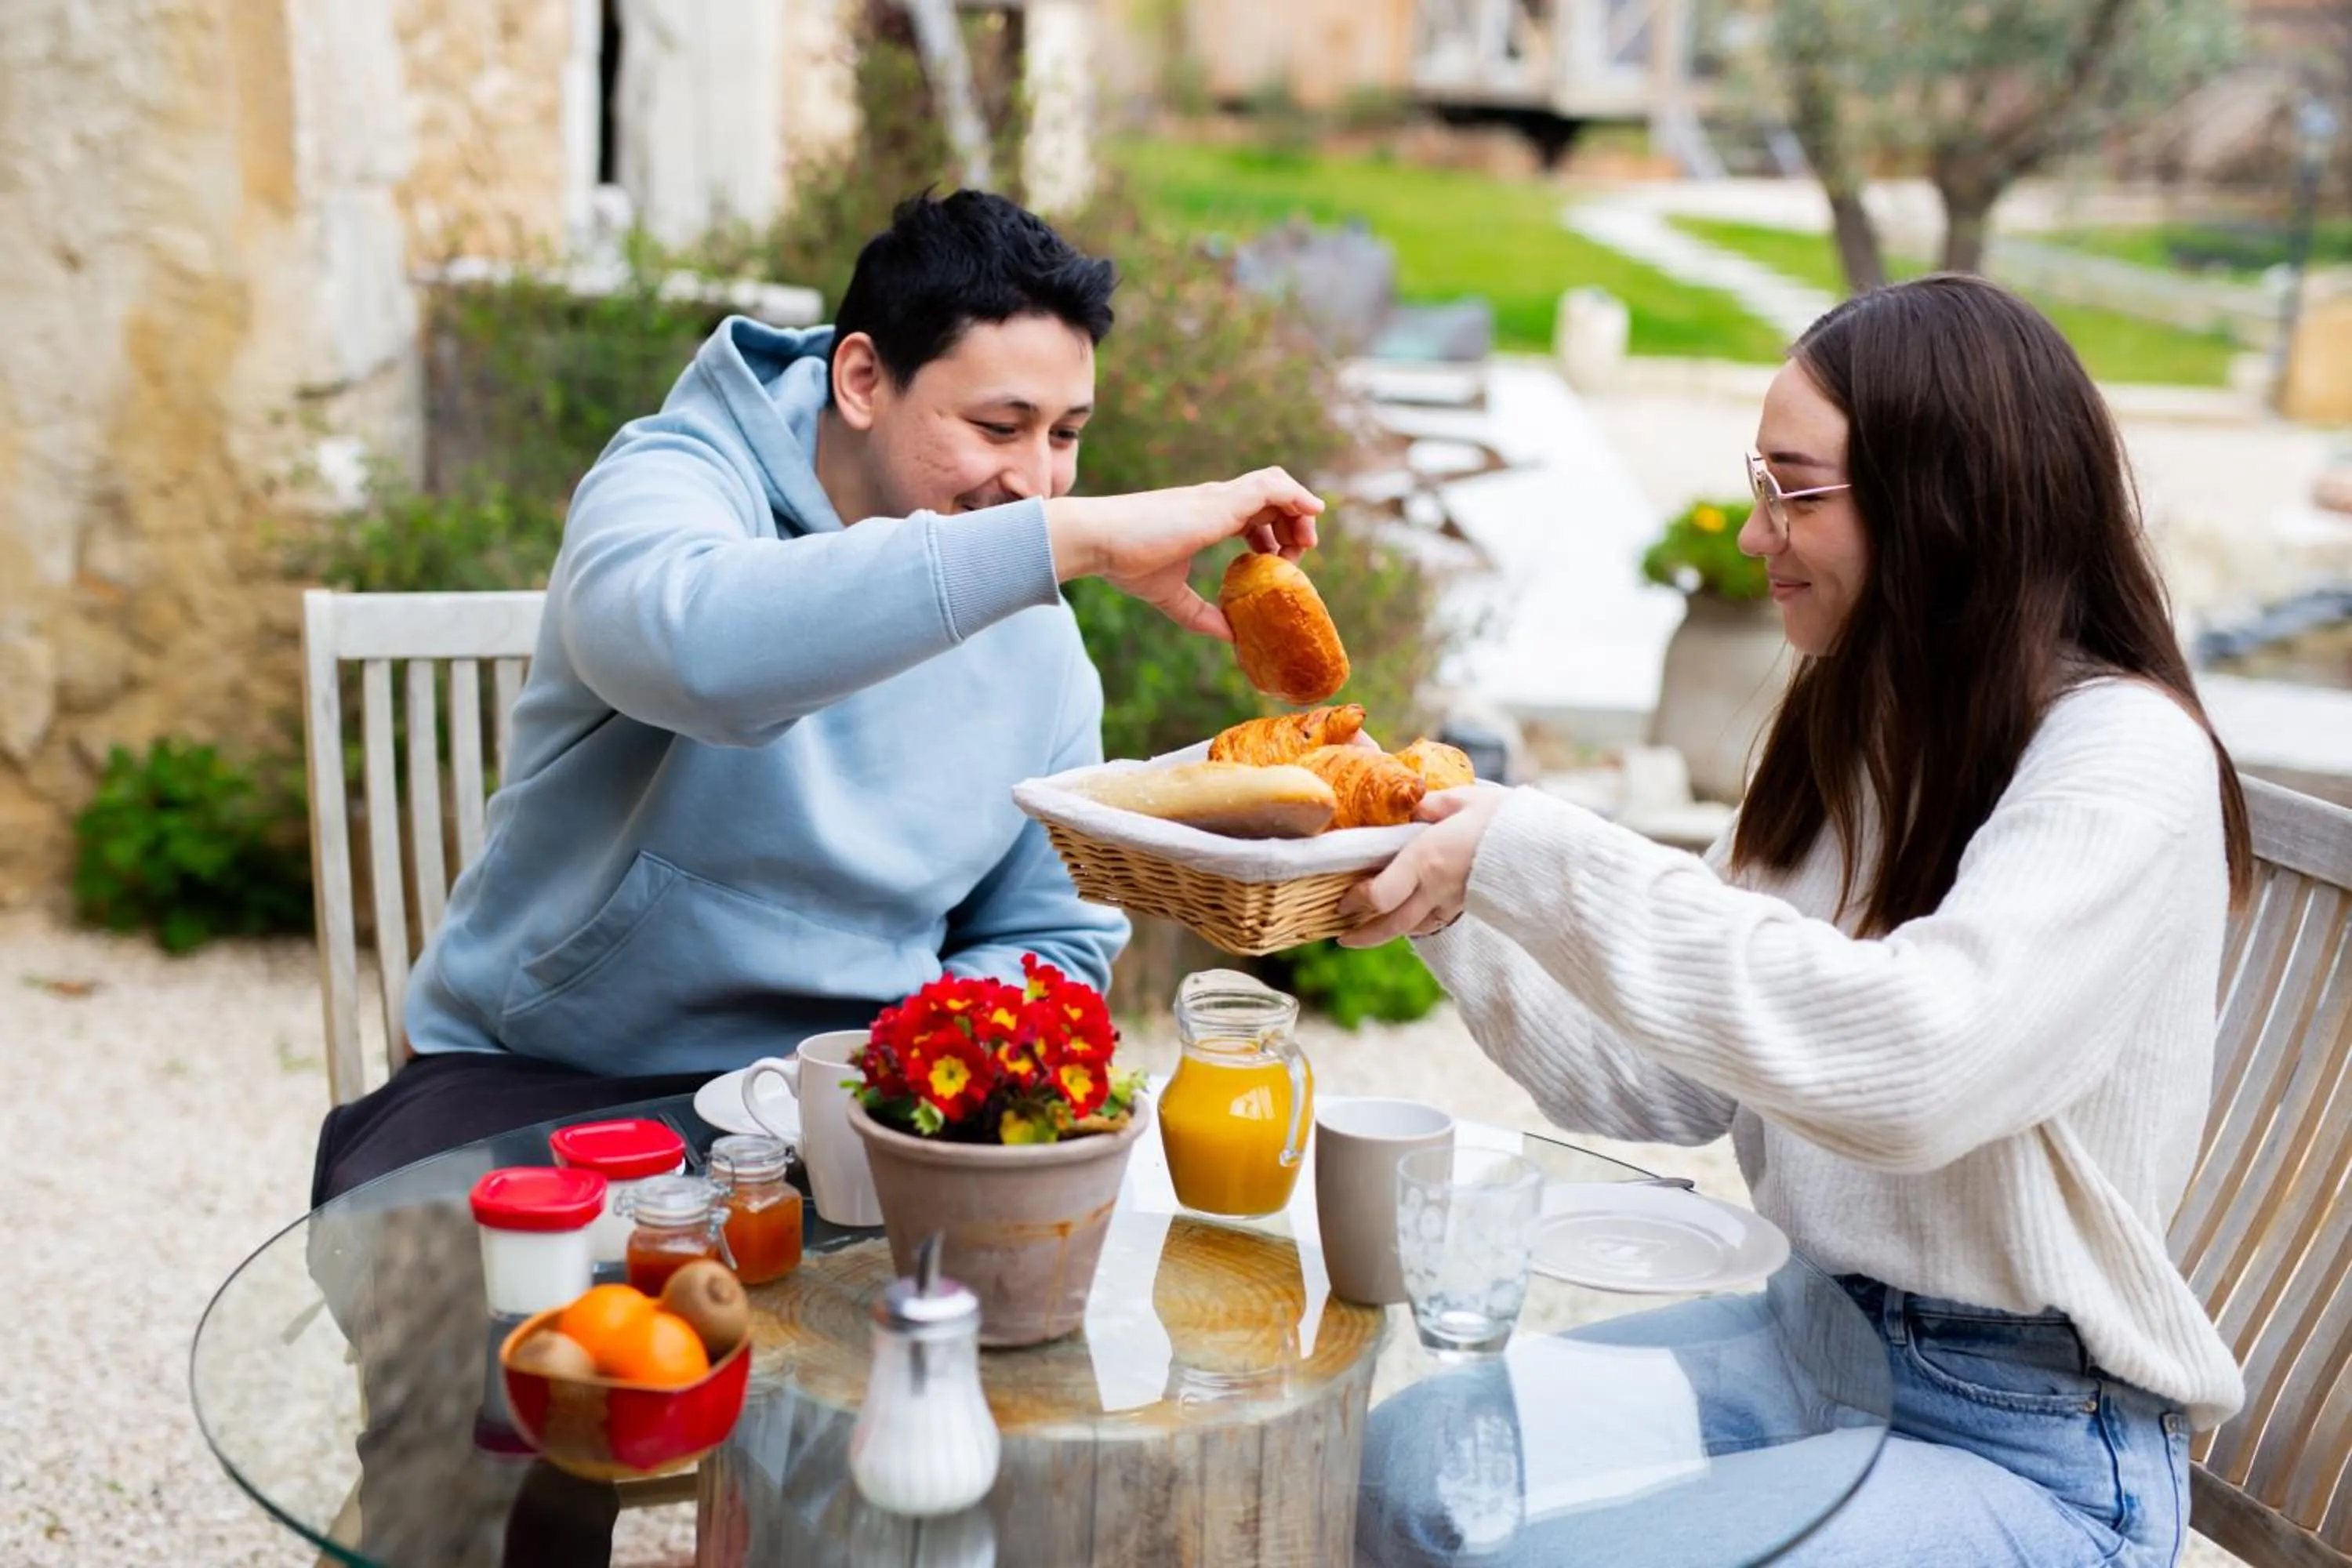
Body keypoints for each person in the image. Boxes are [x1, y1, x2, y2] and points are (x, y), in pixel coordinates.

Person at [1342, 274, 2247, 1566]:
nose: (1758, 533)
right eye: (1755, 483)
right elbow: (1655, 1082)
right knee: (1407, 1472)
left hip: (2031, 1447)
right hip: (1807, 1346)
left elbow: (1920, 1068)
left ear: (1947, 503)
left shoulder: (2123, 760)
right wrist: (1452, 889)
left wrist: (1546, 850)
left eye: (1796, 490)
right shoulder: (1859, 722)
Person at [312, 190, 1323, 1205]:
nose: (1037, 482)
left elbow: (1049, 938)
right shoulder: (675, 479)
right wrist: (1074, 542)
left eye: (1065, 434)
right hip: (547, 1082)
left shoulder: (1039, 637)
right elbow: (697, 652)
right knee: (506, 1349)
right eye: (998, 425)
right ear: (862, 378)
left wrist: (913, 1063)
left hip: (855, 1102)